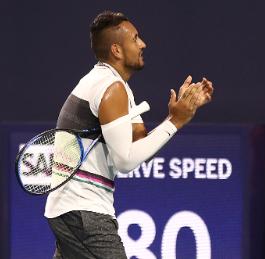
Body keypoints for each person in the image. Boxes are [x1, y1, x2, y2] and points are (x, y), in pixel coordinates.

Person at [44, 11, 213, 259]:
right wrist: (175, 121)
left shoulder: (114, 85)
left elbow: (139, 147)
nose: (143, 43)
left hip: (74, 211)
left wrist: (177, 115)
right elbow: (125, 162)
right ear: (117, 50)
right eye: (135, 39)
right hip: (84, 212)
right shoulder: (111, 89)